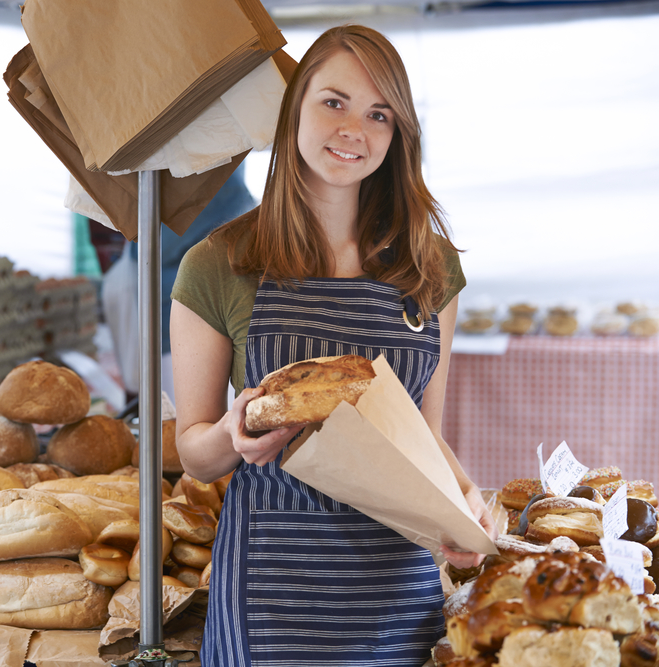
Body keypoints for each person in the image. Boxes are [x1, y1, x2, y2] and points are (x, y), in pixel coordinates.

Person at [169, 25, 498, 665]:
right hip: (270, 583)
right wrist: (233, 432)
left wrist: (466, 508)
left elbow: (422, 434)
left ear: (398, 134)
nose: (355, 129)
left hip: (395, 581)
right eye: (334, 102)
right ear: (295, 109)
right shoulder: (217, 265)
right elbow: (196, 456)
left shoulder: (430, 268)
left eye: (379, 114)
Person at [101, 165, 256, 403]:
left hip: (190, 307)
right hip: (174, 308)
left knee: (187, 413)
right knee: (177, 413)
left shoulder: (222, 186)